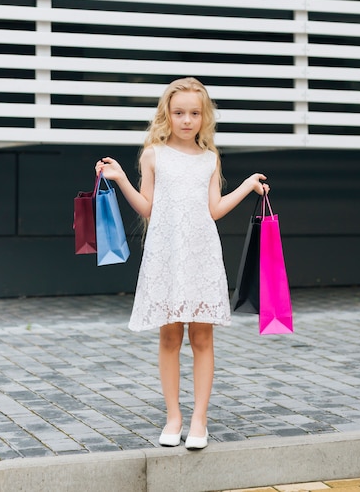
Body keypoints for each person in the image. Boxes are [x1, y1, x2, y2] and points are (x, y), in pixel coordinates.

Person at [95, 77, 269, 450]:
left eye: (194, 113)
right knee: (170, 336)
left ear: (203, 117)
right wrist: (122, 178)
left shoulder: (210, 159)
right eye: (179, 113)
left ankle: (199, 419)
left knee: (202, 337)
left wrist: (247, 184)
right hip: (166, 255)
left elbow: (215, 209)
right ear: (167, 115)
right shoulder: (153, 154)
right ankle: (173, 417)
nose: (187, 120)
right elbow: (148, 208)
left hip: (201, 254)